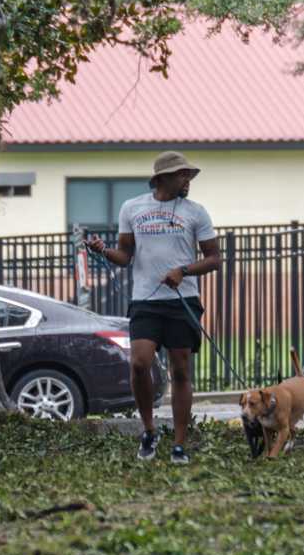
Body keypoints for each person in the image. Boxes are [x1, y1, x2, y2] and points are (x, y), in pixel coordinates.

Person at [84, 151, 222, 462]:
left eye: (188, 175)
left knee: (181, 370)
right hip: (146, 300)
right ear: (161, 179)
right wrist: (103, 250)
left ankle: (179, 444)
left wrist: (183, 270)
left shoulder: (196, 213)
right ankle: (149, 430)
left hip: (182, 300)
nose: (186, 180)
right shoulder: (132, 208)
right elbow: (125, 256)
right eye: (180, 175)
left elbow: (214, 259)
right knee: (139, 363)